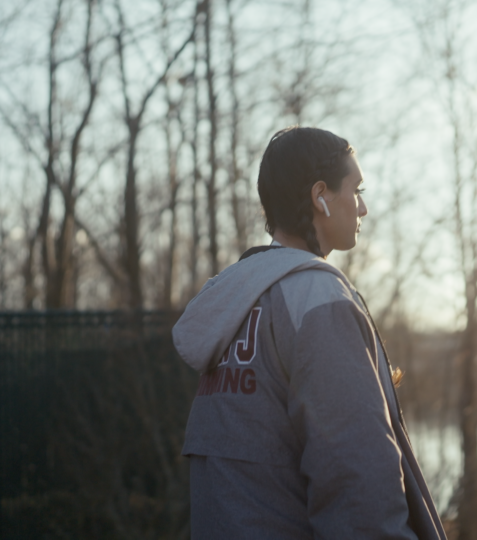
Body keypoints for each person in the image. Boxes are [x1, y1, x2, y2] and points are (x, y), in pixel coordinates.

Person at [173, 126, 446, 539]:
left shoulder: (237, 305)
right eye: (356, 190)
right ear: (321, 196)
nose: (363, 208)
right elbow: (359, 486)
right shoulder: (317, 299)